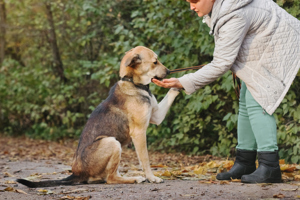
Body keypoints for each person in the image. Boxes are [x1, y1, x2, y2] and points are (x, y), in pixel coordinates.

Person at [152, 0, 300, 183]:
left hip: (280, 46)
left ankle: (270, 167)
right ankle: (245, 162)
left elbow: (222, 63)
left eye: (194, 1)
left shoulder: (234, 14)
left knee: (258, 100)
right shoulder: (225, 8)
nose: (191, 6)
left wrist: (184, 81)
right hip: (264, 47)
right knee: (246, 101)